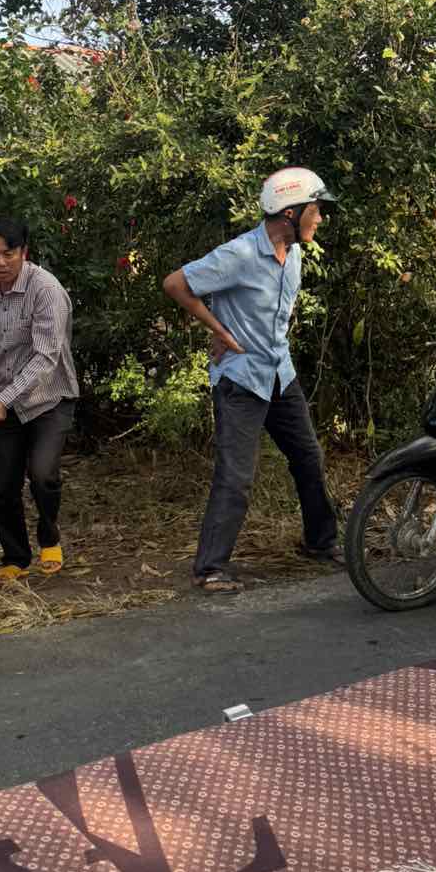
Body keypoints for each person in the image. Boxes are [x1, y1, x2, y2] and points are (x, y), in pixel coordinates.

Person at [163, 168, 342, 595]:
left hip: (279, 373)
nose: (320, 219)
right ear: (290, 212)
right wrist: (219, 329)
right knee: (236, 475)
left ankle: (320, 543)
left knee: (308, 457)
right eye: (316, 210)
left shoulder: (293, 254)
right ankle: (210, 568)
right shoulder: (240, 254)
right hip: (241, 380)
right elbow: (176, 284)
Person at [0, 217, 78, 581]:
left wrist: (2, 399)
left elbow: (45, 357)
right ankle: (16, 557)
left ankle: (49, 535)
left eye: (8, 254)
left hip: (50, 397)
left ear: (24, 252)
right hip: (7, 399)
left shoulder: (46, 290)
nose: (0, 262)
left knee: (42, 474)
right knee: (1, 481)